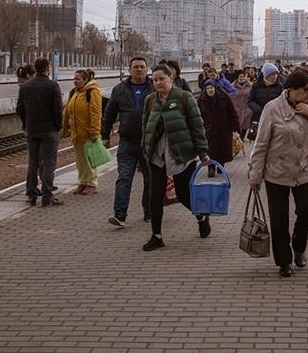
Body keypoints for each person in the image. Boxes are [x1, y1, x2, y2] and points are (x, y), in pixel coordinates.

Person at [248, 68, 308, 277]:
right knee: (279, 220)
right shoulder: (272, 108)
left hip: (305, 170)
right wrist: (255, 174)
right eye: (306, 91)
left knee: (306, 212)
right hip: (277, 172)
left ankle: (299, 246)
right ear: (292, 89)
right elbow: (260, 144)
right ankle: (284, 260)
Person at [141, 63, 212, 251]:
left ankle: (202, 217)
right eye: (154, 80)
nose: (157, 83)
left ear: (170, 78)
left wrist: (203, 152)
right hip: (157, 155)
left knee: (183, 195)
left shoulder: (184, 98)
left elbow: (197, 126)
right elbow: (145, 127)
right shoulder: (150, 101)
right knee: (155, 195)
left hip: (182, 154)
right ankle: (156, 236)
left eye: (161, 79)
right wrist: (145, 148)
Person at [103, 56, 154, 226]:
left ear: (147, 70)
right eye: (136, 67)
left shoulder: (155, 87)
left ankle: (149, 211)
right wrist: (105, 135)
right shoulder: (119, 89)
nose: (139, 70)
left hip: (149, 142)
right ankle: (120, 214)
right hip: (127, 142)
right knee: (124, 177)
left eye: (142, 67)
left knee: (150, 179)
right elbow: (109, 114)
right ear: (129, 69)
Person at [16, 58, 63, 207]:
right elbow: (57, 109)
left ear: (36, 69)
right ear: (48, 68)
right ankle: (47, 195)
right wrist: (58, 126)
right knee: (49, 162)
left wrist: (26, 123)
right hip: (49, 130)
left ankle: (31, 194)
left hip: (32, 129)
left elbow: (20, 109)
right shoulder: (52, 86)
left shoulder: (25, 86)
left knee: (33, 162)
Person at [61, 68, 103, 195]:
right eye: (74, 78)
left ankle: (91, 183)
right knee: (80, 161)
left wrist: (95, 131)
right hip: (77, 133)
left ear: (85, 80)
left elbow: (96, 113)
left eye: (77, 79)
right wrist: (64, 129)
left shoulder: (92, 92)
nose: (75, 81)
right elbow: (67, 112)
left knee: (90, 160)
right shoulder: (74, 92)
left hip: (89, 133)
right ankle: (83, 181)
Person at [198, 79, 240, 177]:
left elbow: (232, 112)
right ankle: (211, 168)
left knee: (222, 149)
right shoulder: (201, 100)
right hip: (209, 129)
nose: (210, 90)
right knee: (210, 149)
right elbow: (198, 115)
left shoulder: (224, 98)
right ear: (205, 90)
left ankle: (220, 166)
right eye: (208, 88)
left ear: (215, 88)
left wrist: (235, 126)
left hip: (224, 129)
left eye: (211, 88)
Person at [231, 71, 254, 138]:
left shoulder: (250, 85)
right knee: (238, 124)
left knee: (246, 123)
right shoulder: (232, 86)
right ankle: (239, 137)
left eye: (243, 76)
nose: (242, 78)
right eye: (240, 76)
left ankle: (242, 137)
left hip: (247, 108)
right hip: (237, 107)